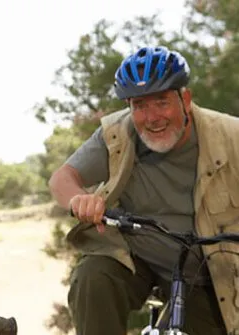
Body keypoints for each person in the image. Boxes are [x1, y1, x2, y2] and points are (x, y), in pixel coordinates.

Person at [49, 45, 239, 335]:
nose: (151, 117)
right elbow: (62, 178)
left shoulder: (230, 136)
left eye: (161, 102)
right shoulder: (116, 134)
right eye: (139, 106)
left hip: (211, 274)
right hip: (137, 258)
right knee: (92, 277)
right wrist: (79, 200)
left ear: (185, 100)